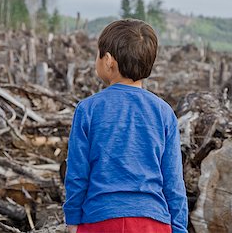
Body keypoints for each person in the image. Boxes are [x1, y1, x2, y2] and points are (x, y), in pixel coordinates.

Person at [63, 19, 188, 233]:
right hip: (153, 222)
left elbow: (77, 174)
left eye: (98, 54)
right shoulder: (164, 113)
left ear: (109, 61)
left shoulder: (88, 110)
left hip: (100, 220)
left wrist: (72, 219)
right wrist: (178, 228)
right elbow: (174, 182)